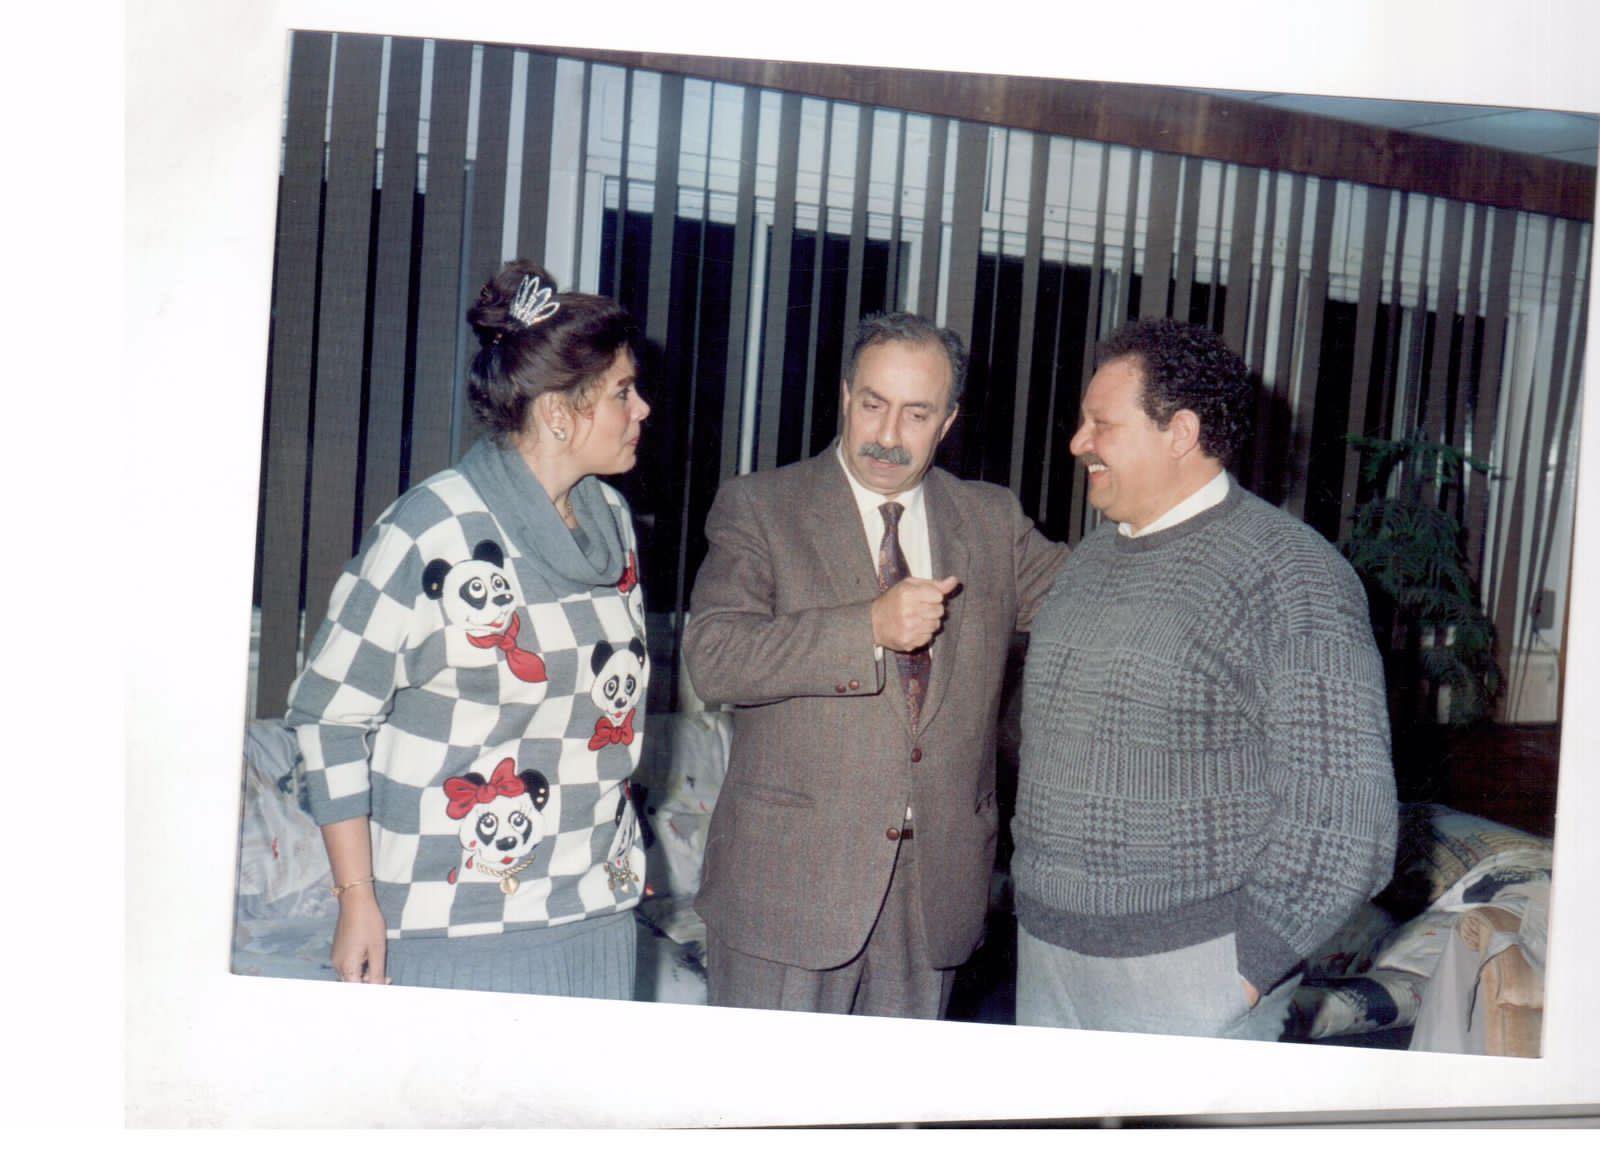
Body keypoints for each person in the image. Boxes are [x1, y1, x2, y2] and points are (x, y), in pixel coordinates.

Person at [1012, 316, 1398, 1040]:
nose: (1078, 443)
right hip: (1046, 961)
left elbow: (1347, 818)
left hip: (1190, 976)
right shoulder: (1089, 561)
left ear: (1181, 433)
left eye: (1102, 424)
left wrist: (1248, 967)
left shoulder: (1291, 572)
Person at [682, 312, 1067, 1019]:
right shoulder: (762, 506)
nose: (888, 435)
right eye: (872, 404)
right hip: (788, 891)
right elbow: (715, 656)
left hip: (934, 895)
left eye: (916, 414)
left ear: (947, 422)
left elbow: (1090, 604)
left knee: (898, 1093)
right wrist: (868, 627)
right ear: (844, 396)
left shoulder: (991, 520)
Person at [286, 259, 653, 997]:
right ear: (559, 412)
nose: (642, 408)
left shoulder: (612, 520)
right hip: (459, 926)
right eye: (622, 392)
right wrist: (357, 898)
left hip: (598, 912)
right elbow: (327, 717)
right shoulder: (430, 528)